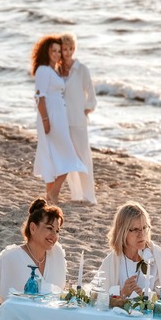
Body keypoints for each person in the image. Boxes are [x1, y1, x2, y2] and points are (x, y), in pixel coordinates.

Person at [31, 35, 86, 204]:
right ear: (46, 52)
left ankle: (50, 193)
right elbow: (39, 97)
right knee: (68, 155)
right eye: (53, 51)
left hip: (58, 116)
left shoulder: (54, 70)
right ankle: (54, 191)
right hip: (51, 116)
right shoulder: (43, 70)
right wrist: (46, 120)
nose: (56, 54)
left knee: (53, 153)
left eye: (58, 51)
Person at [96, 202, 161, 303]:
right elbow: (98, 300)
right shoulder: (112, 261)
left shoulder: (157, 257)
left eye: (144, 228)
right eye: (135, 230)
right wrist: (122, 294)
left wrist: (144, 296)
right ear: (122, 232)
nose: (142, 234)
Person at [59, 32, 97, 204]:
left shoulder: (82, 69)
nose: (68, 52)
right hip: (61, 121)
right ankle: (76, 194)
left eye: (71, 48)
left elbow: (91, 93)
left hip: (78, 121)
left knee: (83, 157)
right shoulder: (57, 69)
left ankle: (88, 195)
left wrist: (86, 109)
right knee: (67, 157)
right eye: (65, 49)